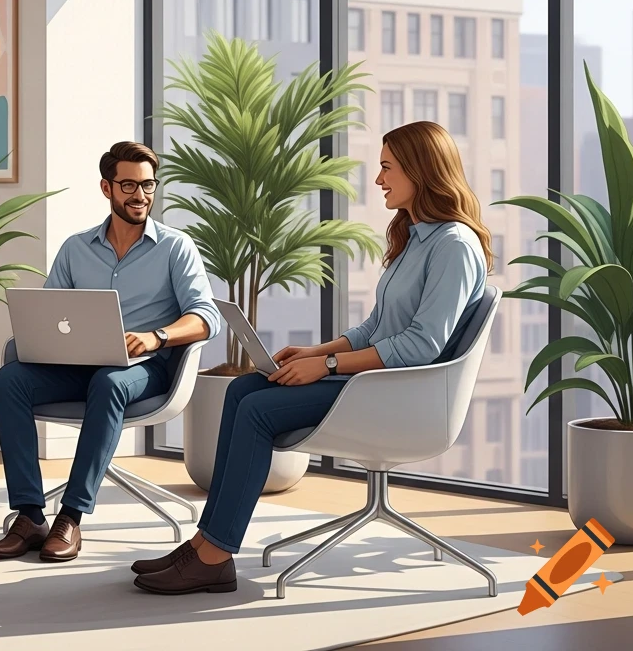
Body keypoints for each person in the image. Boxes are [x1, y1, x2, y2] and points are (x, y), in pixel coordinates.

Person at [132, 121, 490, 595]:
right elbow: (377, 329)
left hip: (399, 397)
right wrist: (318, 351)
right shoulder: (415, 238)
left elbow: (422, 346)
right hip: (371, 382)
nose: (379, 180)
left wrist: (327, 368)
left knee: (258, 410)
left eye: (387, 169)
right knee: (242, 389)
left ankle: (216, 556)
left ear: (420, 171)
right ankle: (205, 544)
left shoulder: (454, 246)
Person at [0, 142, 222, 563]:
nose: (141, 195)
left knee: (108, 381)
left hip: (145, 368)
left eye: (148, 185)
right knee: (10, 380)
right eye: (129, 185)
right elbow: (49, 311)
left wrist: (157, 337)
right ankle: (29, 514)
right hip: (80, 364)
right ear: (106, 187)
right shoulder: (76, 248)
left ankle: (71, 516)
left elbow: (206, 318)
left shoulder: (175, 247)